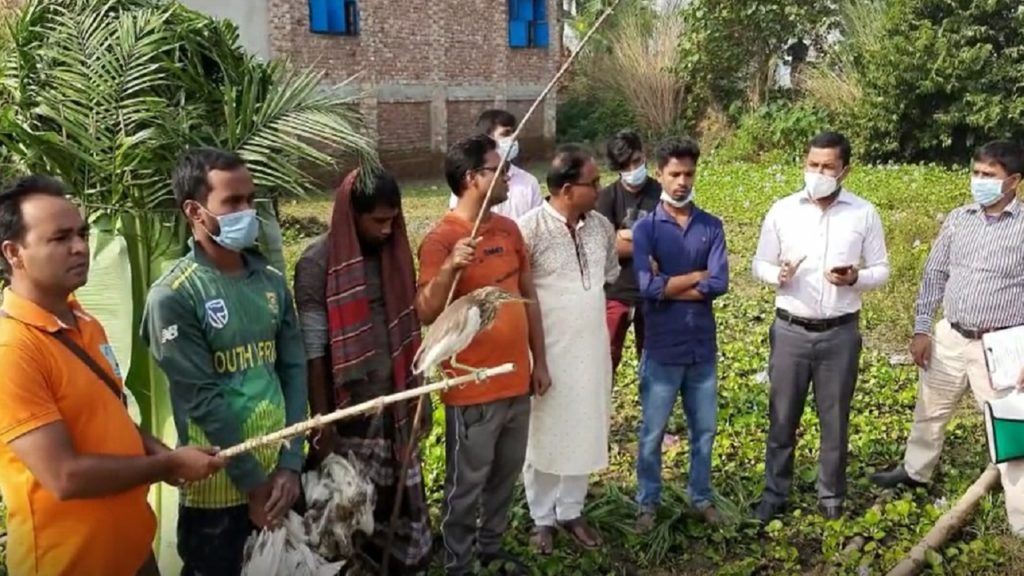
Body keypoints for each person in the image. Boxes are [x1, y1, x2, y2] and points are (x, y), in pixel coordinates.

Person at [0, 175, 223, 576]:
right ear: (13, 252)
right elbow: (64, 476)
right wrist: (166, 466)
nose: (80, 247)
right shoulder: (12, 350)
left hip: (133, 552)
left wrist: (161, 453)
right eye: (60, 238)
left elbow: (112, 415)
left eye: (82, 234)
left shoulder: (84, 321)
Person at [141, 148, 309, 576]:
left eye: (250, 199)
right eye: (232, 202)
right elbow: (202, 398)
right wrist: (254, 484)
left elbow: (293, 370)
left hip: (281, 482)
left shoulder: (271, 282)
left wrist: (291, 462)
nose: (246, 212)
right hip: (217, 496)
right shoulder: (174, 295)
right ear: (194, 211)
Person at [871, 140, 1024, 534]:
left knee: (1010, 428)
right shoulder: (959, 218)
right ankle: (915, 471)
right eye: (976, 172)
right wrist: (922, 328)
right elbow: (935, 273)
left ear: (1013, 181)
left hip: (1001, 346)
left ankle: (1020, 517)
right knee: (930, 410)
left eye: (989, 175)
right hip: (951, 335)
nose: (979, 180)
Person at [418, 133, 550, 576]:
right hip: (471, 387)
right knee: (466, 483)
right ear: (472, 178)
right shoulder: (442, 240)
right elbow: (426, 312)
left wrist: (539, 362)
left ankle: (490, 548)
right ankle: (458, 561)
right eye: (499, 169)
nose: (509, 175)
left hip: (516, 380)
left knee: (504, 476)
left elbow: (527, 296)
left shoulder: (509, 230)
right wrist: (451, 267)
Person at [293, 168, 432, 574]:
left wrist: (418, 395)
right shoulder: (317, 263)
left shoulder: (394, 256)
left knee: (397, 499)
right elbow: (314, 350)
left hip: (397, 400)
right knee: (352, 506)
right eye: (378, 221)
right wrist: (322, 424)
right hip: (351, 410)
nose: (388, 230)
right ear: (352, 214)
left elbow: (410, 330)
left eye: (393, 220)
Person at [752, 131, 890, 523]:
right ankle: (775, 492)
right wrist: (777, 274)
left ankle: (831, 495)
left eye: (828, 167)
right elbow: (759, 263)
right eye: (813, 164)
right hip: (790, 331)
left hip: (840, 333)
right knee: (782, 416)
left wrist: (855, 278)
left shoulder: (863, 213)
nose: (819, 173)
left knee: (835, 418)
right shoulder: (783, 210)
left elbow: (882, 269)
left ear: (845, 170)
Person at [516, 145, 618, 554]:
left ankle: (571, 510)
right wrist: (536, 360)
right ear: (566, 189)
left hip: (591, 351)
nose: (599, 189)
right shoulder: (529, 230)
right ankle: (542, 518)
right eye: (593, 182)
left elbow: (607, 276)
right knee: (543, 432)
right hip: (547, 354)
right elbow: (520, 298)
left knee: (585, 427)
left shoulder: (602, 228)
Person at [631, 138, 730, 532]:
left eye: (688, 173)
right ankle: (647, 502)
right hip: (662, 347)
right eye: (674, 174)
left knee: (704, 430)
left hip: (701, 347)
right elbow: (646, 287)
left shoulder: (711, 226)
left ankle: (700, 497)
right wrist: (694, 277)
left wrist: (668, 283)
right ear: (660, 174)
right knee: (652, 432)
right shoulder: (646, 229)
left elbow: (719, 283)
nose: (682, 182)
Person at [595, 129, 661, 378]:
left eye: (636, 161)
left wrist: (626, 235)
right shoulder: (606, 198)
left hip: (653, 293)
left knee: (652, 362)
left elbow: (670, 241)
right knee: (606, 359)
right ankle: (601, 403)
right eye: (626, 166)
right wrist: (648, 242)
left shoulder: (661, 194)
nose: (633, 169)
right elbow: (605, 247)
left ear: (643, 154)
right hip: (616, 292)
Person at [447, 109, 543, 220]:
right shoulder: (470, 183)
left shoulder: (529, 183)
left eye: (514, 134)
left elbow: (537, 223)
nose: (513, 139)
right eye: (506, 134)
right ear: (487, 138)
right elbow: (459, 220)